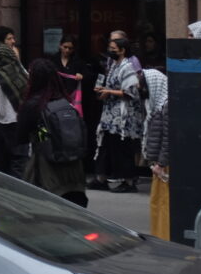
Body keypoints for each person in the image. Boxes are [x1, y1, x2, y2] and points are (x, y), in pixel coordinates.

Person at [20, 59, 88, 208]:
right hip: (74, 173)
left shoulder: (33, 105)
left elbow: (23, 137)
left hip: (48, 174)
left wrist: (41, 136)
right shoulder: (66, 104)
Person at [91, 31, 145, 193]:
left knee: (123, 149)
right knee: (106, 146)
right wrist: (102, 90)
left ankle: (128, 181)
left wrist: (109, 91)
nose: (110, 50)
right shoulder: (113, 65)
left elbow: (130, 92)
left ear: (122, 50)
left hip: (123, 117)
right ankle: (101, 178)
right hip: (110, 116)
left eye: (113, 47)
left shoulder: (127, 66)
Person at [0, 27, 28, 178]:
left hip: (1, 128)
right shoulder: (21, 73)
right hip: (19, 124)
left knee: (2, 169)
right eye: (10, 39)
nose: (13, 42)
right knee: (19, 164)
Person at [143, 80, 172, 240]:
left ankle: (163, 237)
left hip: (164, 167)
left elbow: (167, 138)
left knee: (162, 204)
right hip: (160, 164)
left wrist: (161, 164)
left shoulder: (166, 105)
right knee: (158, 203)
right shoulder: (162, 104)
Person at [45, 33, 87, 113]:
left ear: (73, 49)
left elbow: (87, 75)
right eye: (65, 47)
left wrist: (82, 76)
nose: (67, 50)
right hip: (56, 97)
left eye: (70, 48)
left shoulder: (78, 61)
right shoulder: (53, 60)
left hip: (73, 98)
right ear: (60, 46)